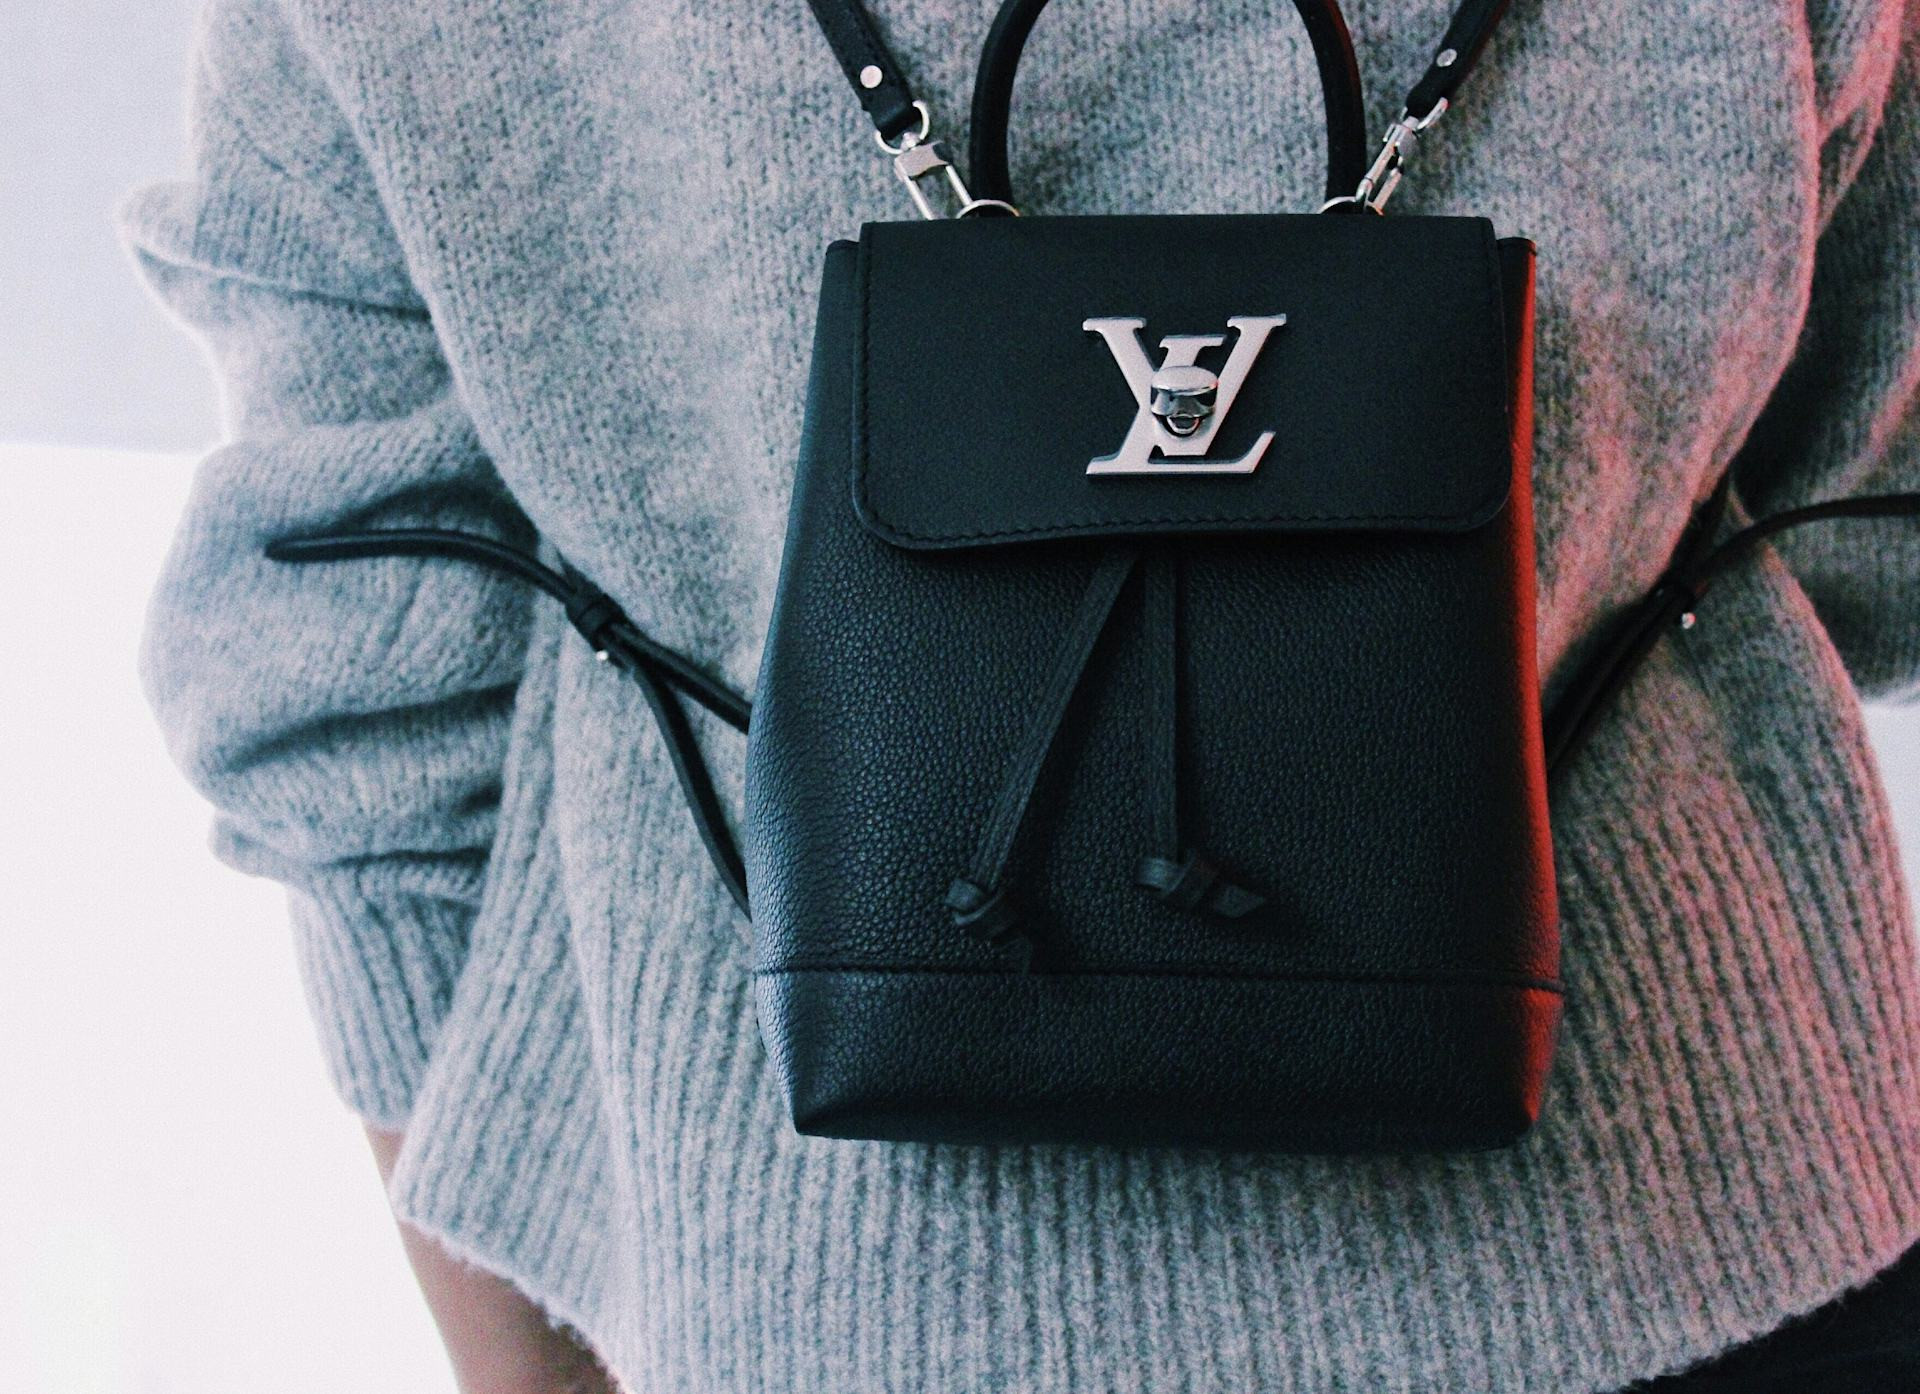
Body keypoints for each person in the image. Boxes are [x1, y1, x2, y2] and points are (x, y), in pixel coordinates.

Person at [121, 0, 1920, 1389]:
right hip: (1718, 1224)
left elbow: (350, 651)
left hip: (792, 1294)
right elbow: (1865, 501)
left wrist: (541, 1342)